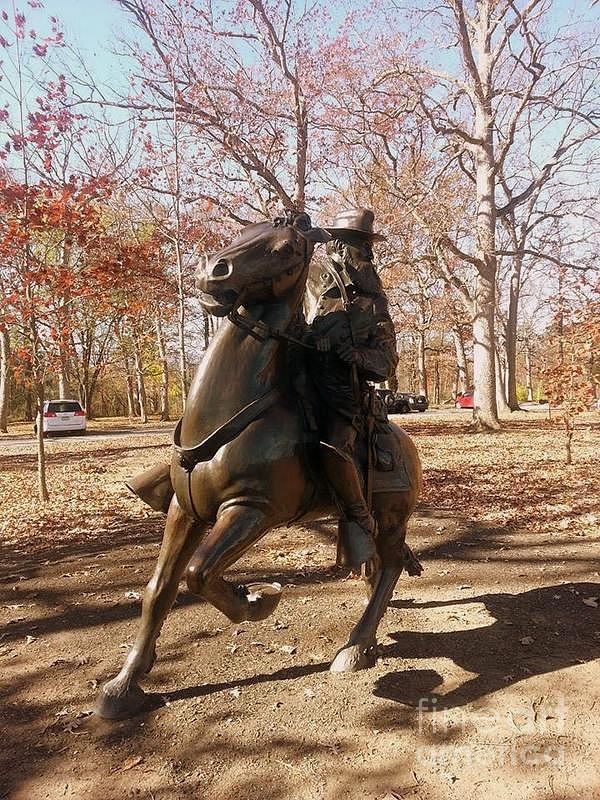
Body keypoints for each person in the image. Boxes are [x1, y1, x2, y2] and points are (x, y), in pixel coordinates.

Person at [306, 208, 398, 568]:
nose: (366, 252)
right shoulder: (309, 280)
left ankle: (360, 520)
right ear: (339, 247)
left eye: (366, 245)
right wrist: (313, 341)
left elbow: (388, 361)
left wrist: (357, 355)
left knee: (335, 445)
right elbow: (291, 322)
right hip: (298, 374)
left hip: (342, 394)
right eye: (357, 244)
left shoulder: (374, 301)